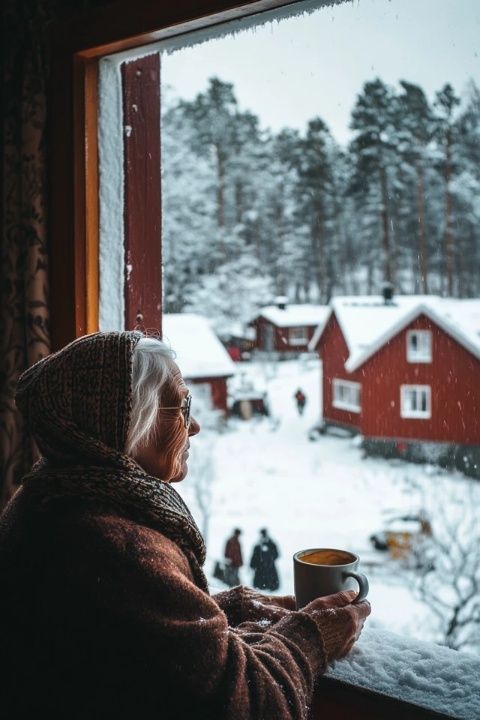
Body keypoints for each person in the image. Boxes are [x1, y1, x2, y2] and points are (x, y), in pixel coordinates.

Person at [0, 331, 370, 720]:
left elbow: (129, 638)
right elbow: (255, 705)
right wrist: (310, 637)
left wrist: (228, 609)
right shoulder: (115, 545)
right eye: (181, 405)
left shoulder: (50, 494)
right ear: (125, 421)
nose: (194, 427)